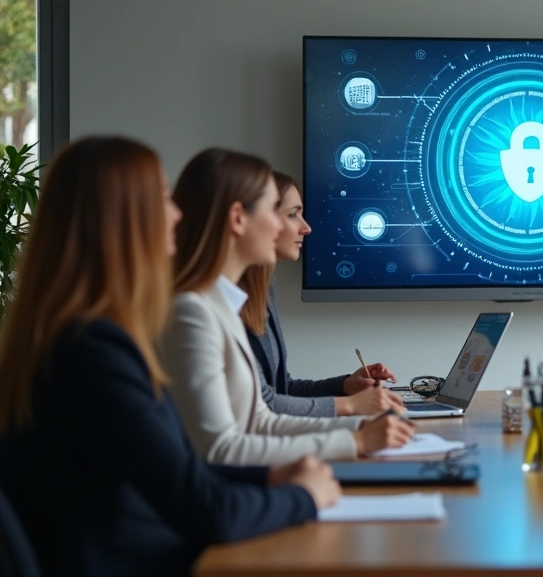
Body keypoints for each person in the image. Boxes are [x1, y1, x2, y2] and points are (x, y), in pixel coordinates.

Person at [0, 137, 339, 576]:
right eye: (163, 197)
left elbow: (182, 471)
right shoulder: (93, 350)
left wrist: (271, 477)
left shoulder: (72, 336)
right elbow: (206, 510)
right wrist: (305, 496)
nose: (177, 214)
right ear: (124, 219)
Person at [163, 148, 414, 465]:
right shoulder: (192, 312)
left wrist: (359, 428)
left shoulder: (223, 304)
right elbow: (221, 448)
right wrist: (355, 437)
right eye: (277, 211)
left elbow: (260, 419)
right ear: (238, 218)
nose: (288, 226)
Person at [238, 171, 403, 417]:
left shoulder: (263, 290)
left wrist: (346, 386)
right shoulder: (223, 302)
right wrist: (352, 410)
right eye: (293, 215)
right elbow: (264, 405)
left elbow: (281, 389)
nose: (306, 228)